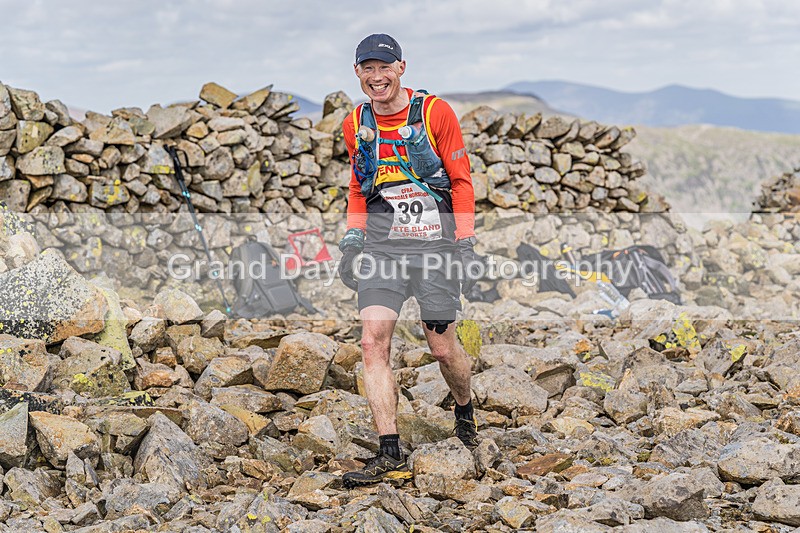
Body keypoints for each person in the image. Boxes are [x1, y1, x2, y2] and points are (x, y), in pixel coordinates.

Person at [337, 34, 483, 488]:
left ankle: (464, 411)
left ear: (401, 67)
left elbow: (460, 181)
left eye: (385, 68)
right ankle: (390, 451)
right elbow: (358, 186)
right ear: (357, 73)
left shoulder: (435, 113)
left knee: (441, 348)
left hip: (434, 244)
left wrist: (465, 242)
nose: (376, 77)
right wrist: (352, 239)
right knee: (371, 342)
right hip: (383, 246)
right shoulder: (355, 122)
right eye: (367, 69)